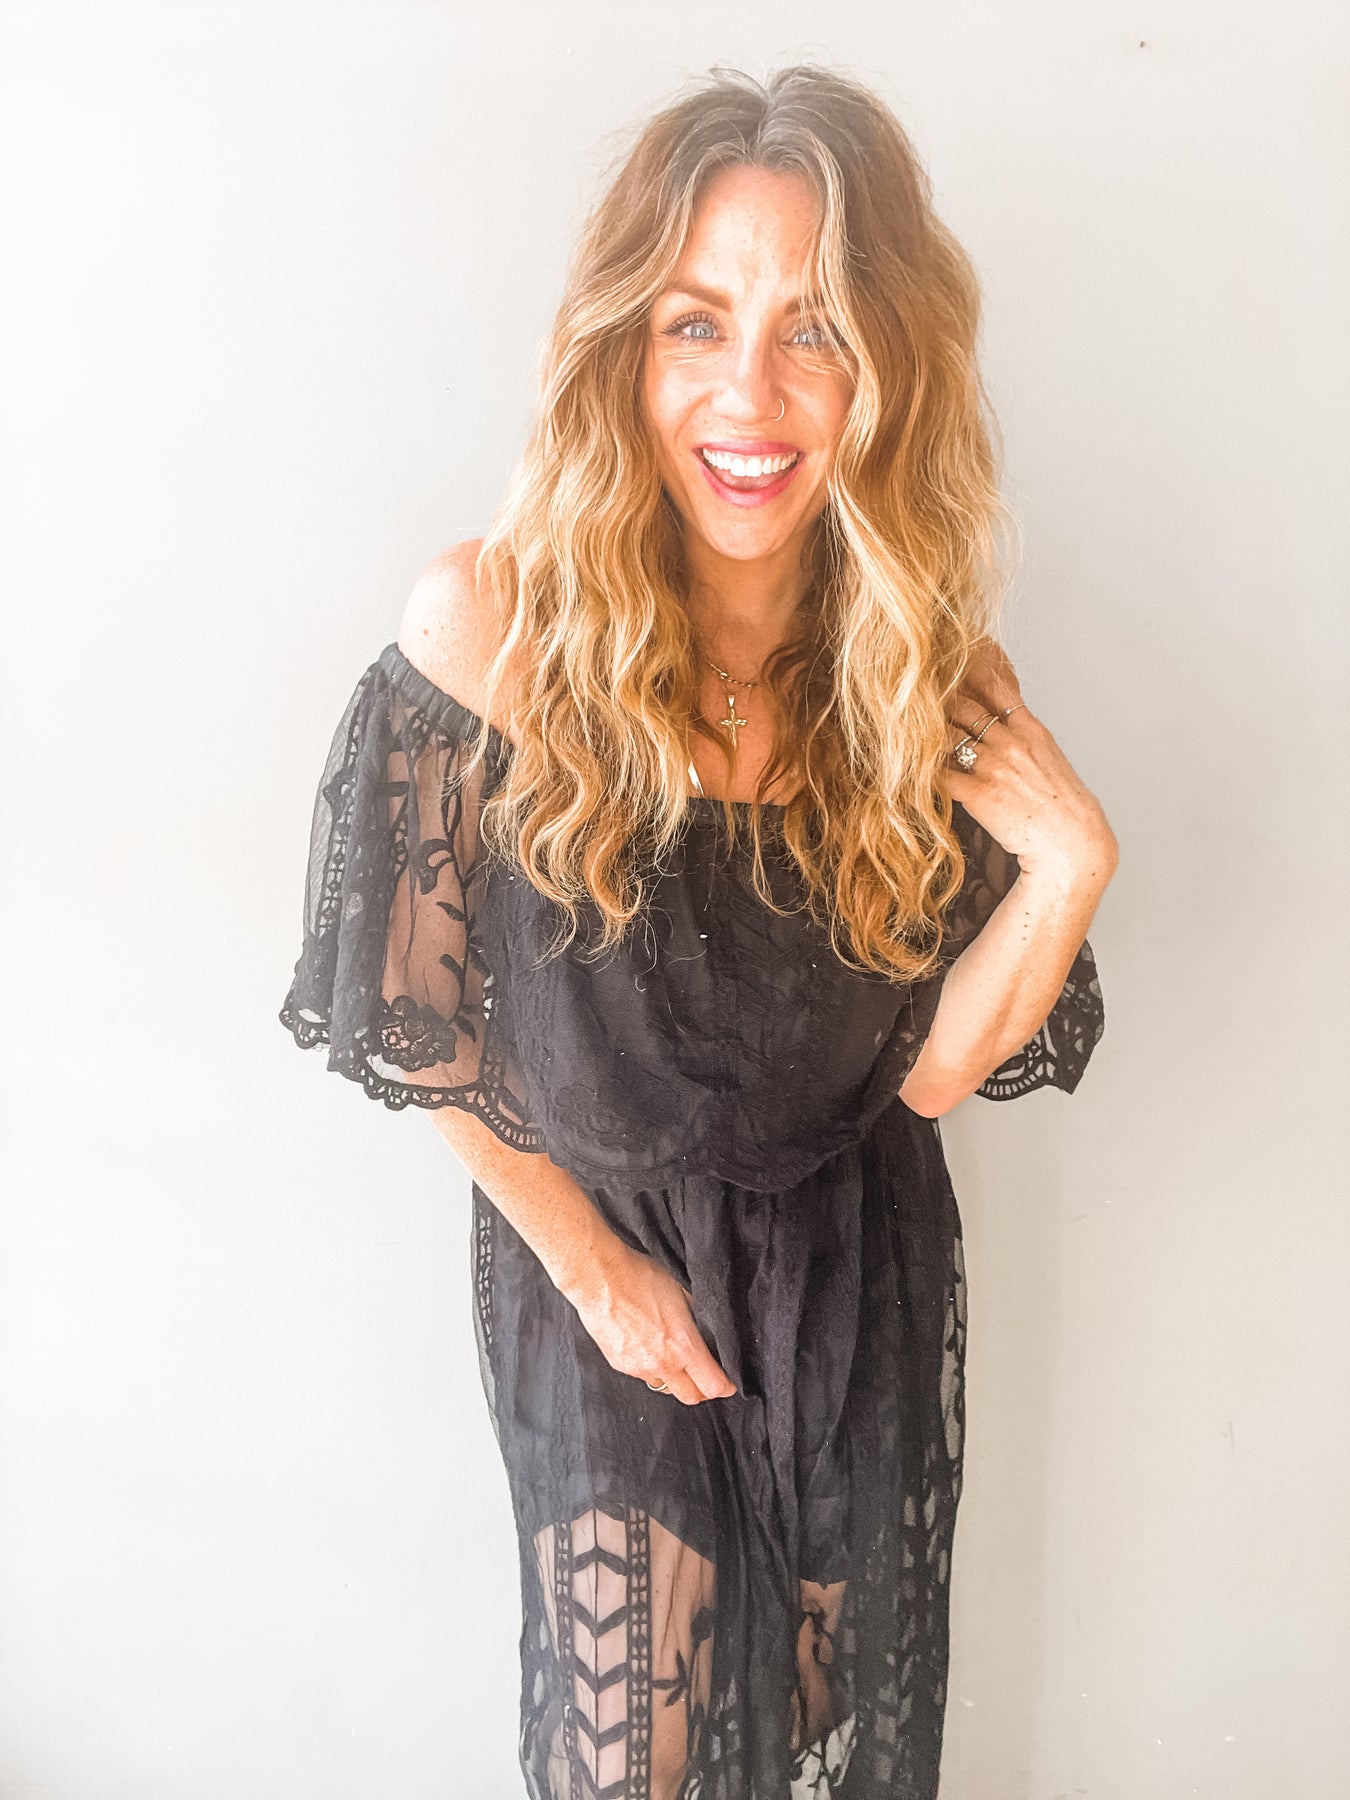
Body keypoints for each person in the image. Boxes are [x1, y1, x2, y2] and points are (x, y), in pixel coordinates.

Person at [278, 63, 1116, 1800]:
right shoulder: (491, 630)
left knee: (828, 1747)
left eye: (812, 329)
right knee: (627, 1754)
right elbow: (417, 1021)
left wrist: (1068, 869)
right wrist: (594, 1273)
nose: (750, 392)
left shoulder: (923, 671)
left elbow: (928, 1076)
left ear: (884, 367)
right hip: (596, 1258)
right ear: (622, 353)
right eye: (694, 325)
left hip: (852, 1271)